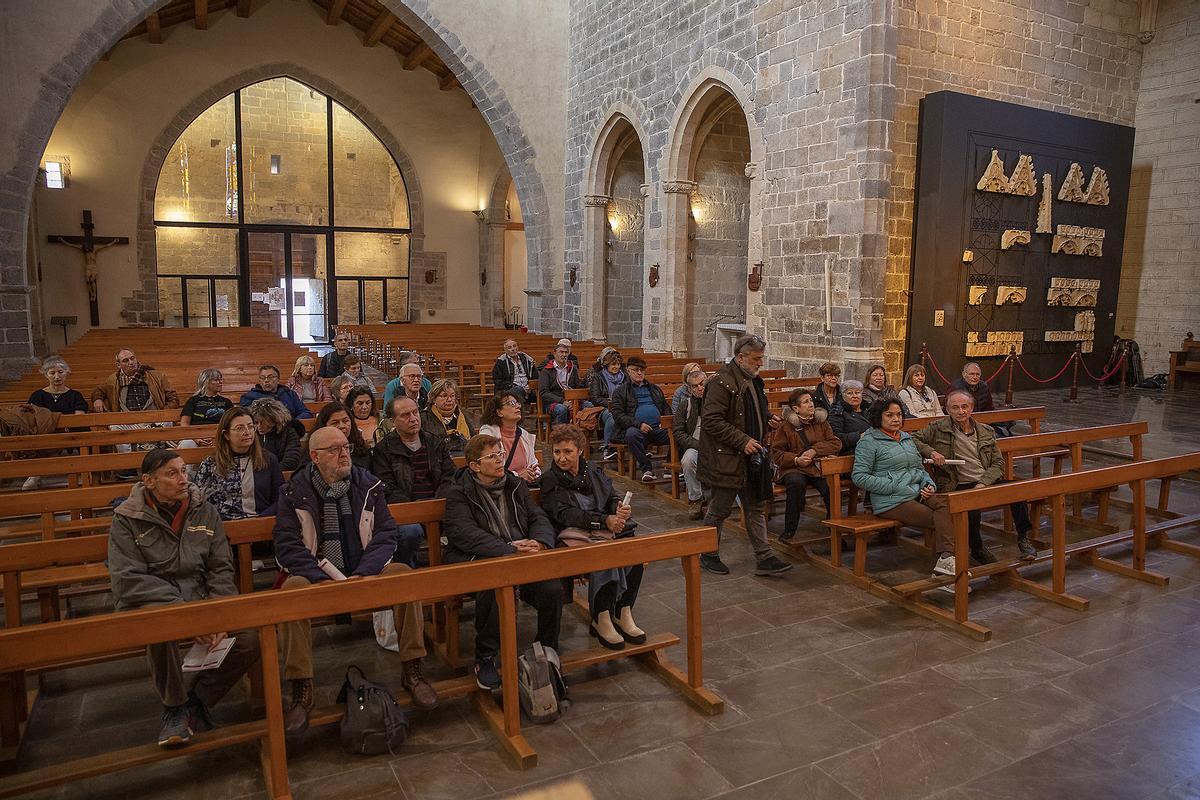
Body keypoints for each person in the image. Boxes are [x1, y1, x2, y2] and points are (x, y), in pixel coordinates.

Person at [274, 426, 438, 734]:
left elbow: (386, 532)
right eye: (334, 450)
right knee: (291, 592)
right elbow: (286, 544)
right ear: (315, 456)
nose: (344, 453)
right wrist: (317, 577)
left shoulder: (367, 484)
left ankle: (413, 670)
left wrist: (364, 572)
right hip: (317, 577)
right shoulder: (294, 492)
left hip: (365, 571)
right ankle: (302, 689)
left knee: (403, 576)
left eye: (346, 447)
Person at [108, 448, 260, 747]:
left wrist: (218, 612)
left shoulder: (203, 509)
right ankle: (174, 708)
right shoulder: (127, 518)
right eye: (172, 473)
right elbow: (128, 578)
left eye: (183, 471)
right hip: (155, 600)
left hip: (200, 595)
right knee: (162, 629)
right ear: (149, 481)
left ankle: (196, 701)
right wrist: (187, 616)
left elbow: (220, 566)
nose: (182, 479)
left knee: (248, 639)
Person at [439, 434, 562, 690]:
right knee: (492, 584)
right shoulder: (458, 491)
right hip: (480, 559)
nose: (499, 461)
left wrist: (539, 542)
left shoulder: (514, 485)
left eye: (501, 454)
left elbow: (538, 516)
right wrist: (507, 549)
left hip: (519, 557)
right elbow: (464, 533)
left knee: (552, 588)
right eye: (492, 456)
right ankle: (485, 657)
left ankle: (548, 648)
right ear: (474, 465)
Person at [541, 425, 644, 650]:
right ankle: (601, 616)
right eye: (557, 452)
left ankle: (623, 610)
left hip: (602, 526)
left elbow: (610, 495)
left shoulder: (593, 470)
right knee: (605, 554)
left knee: (634, 553)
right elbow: (566, 514)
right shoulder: (550, 479)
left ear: (580, 450)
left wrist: (618, 507)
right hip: (573, 534)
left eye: (567, 451)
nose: (561, 458)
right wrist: (603, 520)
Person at [698, 334, 792, 576]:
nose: (760, 363)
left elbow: (749, 410)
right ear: (740, 357)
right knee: (719, 509)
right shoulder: (721, 382)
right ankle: (707, 554)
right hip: (727, 457)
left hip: (751, 457)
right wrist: (743, 440)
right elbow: (711, 421)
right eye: (756, 358)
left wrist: (767, 419)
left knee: (755, 507)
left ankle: (765, 556)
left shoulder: (752, 379)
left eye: (762, 358)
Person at [912, 389, 1037, 562]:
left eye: (965, 407)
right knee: (970, 508)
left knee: (1017, 492)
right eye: (955, 407)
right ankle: (977, 548)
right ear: (948, 410)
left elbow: (997, 463)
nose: (960, 411)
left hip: (985, 481)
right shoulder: (938, 428)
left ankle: (1024, 538)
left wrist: (983, 483)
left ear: (971, 408)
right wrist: (932, 451)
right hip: (957, 483)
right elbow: (913, 439)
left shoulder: (985, 431)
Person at [851, 399, 957, 592]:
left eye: (899, 414)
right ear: (878, 417)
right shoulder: (869, 441)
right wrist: (893, 485)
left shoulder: (906, 438)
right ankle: (946, 570)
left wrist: (929, 484)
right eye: (889, 415)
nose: (896, 419)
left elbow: (919, 467)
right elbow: (859, 477)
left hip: (916, 491)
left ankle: (946, 563)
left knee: (950, 507)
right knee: (938, 518)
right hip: (891, 499)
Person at [372, 396, 456, 566]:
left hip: (439, 504)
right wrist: (417, 509)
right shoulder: (384, 449)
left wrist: (435, 504)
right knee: (410, 531)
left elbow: (450, 477)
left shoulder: (435, 443)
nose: (413, 418)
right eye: (405, 415)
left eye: (415, 412)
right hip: (407, 510)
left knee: (466, 524)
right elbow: (387, 486)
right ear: (392, 421)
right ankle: (408, 575)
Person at [770, 388, 841, 541]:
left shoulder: (821, 422)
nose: (811, 404)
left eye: (811, 401)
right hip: (794, 468)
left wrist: (815, 450)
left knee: (830, 488)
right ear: (796, 408)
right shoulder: (786, 427)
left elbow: (835, 443)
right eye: (806, 402)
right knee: (795, 484)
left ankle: (834, 530)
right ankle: (789, 530)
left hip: (816, 467)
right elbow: (776, 454)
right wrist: (796, 459)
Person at [193, 407, 284, 520]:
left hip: (260, 522)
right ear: (226, 434)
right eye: (239, 428)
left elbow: (280, 499)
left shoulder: (268, 459)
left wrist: (261, 520)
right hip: (220, 526)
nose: (247, 432)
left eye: (250, 427)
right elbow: (198, 501)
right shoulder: (210, 463)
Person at [23, 356, 88, 490]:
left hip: (70, 433)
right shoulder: (37, 396)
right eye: (52, 373)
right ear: (46, 375)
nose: (56, 377)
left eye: (60, 372)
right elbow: (32, 418)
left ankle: (85, 472)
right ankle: (35, 474)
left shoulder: (75, 395)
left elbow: (79, 418)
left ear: (66, 373)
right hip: (44, 435)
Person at [611, 356, 670, 482]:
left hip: (658, 429)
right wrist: (639, 424)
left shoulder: (654, 389)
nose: (639, 373)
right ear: (628, 371)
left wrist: (665, 422)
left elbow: (665, 407)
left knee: (678, 432)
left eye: (642, 370)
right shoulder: (621, 391)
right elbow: (618, 415)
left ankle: (670, 467)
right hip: (637, 429)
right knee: (631, 435)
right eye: (635, 370)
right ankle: (647, 469)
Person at [479, 390, 541, 483]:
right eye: (511, 403)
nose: (517, 406)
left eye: (517, 403)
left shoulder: (524, 434)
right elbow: (490, 469)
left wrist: (533, 473)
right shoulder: (488, 434)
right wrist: (517, 476)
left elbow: (534, 463)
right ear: (499, 412)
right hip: (501, 487)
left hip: (524, 487)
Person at [91, 349, 179, 413]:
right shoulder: (113, 380)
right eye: (125, 361)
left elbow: (173, 398)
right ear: (118, 365)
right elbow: (98, 391)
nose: (131, 362)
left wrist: (163, 413)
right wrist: (97, 400)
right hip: (126, 421)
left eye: (132, 358)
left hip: (155, 417)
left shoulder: (157, 376)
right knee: (115, 428)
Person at [673, 366, 706, 520]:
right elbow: (679, 432)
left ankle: (744, 505)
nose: (700, 388)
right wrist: (698, 445)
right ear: (689, 388)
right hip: (696, 443)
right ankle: (696, 499)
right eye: (695, 386)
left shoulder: (718, 401)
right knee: (687, 460)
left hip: (718, 444)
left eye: (702, 384)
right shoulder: (685, 405)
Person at [304, 402, 371, 471]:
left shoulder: (360, 446)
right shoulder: (316, 449)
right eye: (335, 423)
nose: (342, 426)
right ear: (324, 426)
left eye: (345, 421)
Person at [587, 348, 625, 460]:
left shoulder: (624, 377)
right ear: (606, 365)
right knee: (612, 416)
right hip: (603, 409)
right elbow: (595, 398)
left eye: (618, 364)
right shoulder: (598, 377)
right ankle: (608, 448)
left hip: (622, 407)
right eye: (613, 364)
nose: (617, 367)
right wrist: (610, 403)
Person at [421, 379, 475, 456]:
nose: (449, 400)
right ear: (434, 398)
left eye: (452, 396)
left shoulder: (464, 415)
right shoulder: (424, 417)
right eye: (444, 396)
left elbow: (473, 439)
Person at [538, 339, 585, 425]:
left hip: (572, 399)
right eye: (561, 352)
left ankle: (581, 434)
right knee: (562, 409)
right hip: (554, 401)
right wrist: (562, 401)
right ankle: (560, 434)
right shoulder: (546, 371)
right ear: (555, 354)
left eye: (566, 352)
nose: (564, 355)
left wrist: (575, 400)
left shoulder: (572, 368)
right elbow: (544, 392)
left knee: (588, 405)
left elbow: (578, 386)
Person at [249, 397, 303, 471]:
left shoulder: (289, 433)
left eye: (263, 422)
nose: (259, 426)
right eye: (256, 422)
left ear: (274, 420)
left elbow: (291, 461)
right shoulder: (253, 434)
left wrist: (267, 472)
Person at [239, 365, 311, 421]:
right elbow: (247, 418)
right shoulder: (249, 397)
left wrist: (294, 422)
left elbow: (305, 413)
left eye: (270, 377)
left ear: (278, 379)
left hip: (289, 429)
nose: (266, 380)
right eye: (263, 378)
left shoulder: (289, 394)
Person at [829, 379, 872, 455]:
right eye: (850, 393)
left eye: (857, 393)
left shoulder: (869, 408)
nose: (854, 396)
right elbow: (836, 438)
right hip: (852, 452)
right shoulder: (837, 411)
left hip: (873, 448)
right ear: (843, 396)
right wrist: (859, 436)